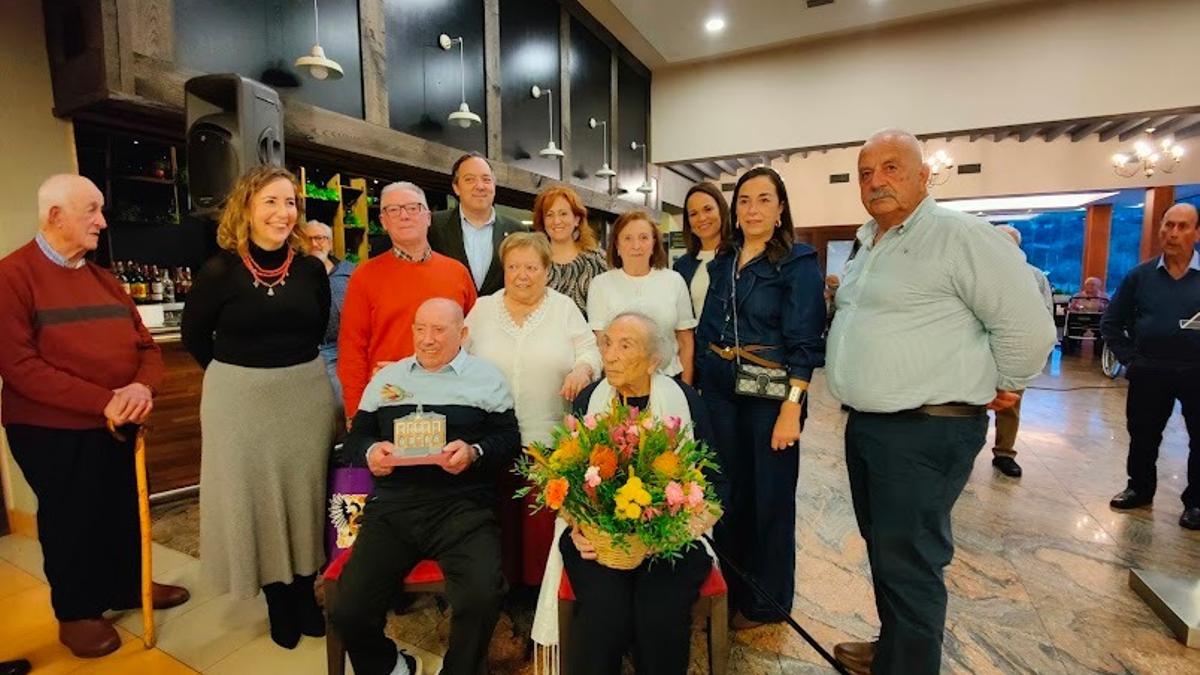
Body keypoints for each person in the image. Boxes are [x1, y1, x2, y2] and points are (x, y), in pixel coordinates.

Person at [825, 129, 1056, 675]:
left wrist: (1003, 379)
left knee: (910, 563)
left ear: (924, 176)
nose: (876, 180)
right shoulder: (871, 242)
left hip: (924, 430)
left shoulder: (960, 236)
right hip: (874, 426)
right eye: (865, 172)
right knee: (886, 550)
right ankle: (893, 651)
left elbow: (1029, 329)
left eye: (891, 167)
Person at [0, 174, 189, 659]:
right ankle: (78, 612)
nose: (103, 221)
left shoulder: (102, 278)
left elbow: (146, 347)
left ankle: (129, 586)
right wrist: (103, 400)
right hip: (51, 430)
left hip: (118, 421)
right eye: (92, 210)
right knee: (73, 518)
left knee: (122, 510)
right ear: (55, 215)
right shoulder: (11, 276)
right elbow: (19, 368)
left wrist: (140, 387)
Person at [181, 165, 334, 649]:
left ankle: (307, 594)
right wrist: (239, 377)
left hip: (303, 398)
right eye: (271, 201)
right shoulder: (219, 271)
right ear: (246, 207)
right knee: (258, 501)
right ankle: (278, 600)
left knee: (305, 496)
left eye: (290, 203)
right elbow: (193, 338)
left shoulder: (311, 269)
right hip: (240, 401)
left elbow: (314, 332)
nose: (283, 212)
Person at [328, 298, 521, 675]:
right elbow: (355, 440)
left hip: (464, 507)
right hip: (393, 507)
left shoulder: (487, 377)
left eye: (439, 330)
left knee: (482, 598)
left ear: (462, 334)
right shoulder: (388, 379)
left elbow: (509, 439)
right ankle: (393, 666)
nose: (427, 339)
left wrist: (474, 450)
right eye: (420, 329)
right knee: (347, 610)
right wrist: (370, 452)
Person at [530, 312, 717, 675]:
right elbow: (566, 478)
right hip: (596, 539)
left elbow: (715, 485)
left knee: (659, 610)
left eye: (625, 345)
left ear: (654, 359)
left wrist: (673, 531)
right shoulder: (589, 399)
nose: (609, 355)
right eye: (607, 343)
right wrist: (578, 525)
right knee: (605, 611)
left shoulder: (687, 402)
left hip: (672, 537)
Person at [694, 166, 826, 630]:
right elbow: (709, 327)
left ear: (781, 208)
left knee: (770, 498)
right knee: (728, 494)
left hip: (772, 398)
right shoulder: (724, 260)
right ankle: (730, 589)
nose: (752, 209)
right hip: (720, 393)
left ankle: (767, 603)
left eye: (763, 200)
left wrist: (792, 407)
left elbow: (806, 344)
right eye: (745, 200)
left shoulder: (798, 262)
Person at [464, 232, 601, 584]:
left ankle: (542, 599)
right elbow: (457, 354)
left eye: (530, 267)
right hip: (490, 437)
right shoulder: (482, 309)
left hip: (549, 435)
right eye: (512, 267)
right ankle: (501, 593)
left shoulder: (563, 308)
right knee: (497, 520)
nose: (521, 275)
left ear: (546, 270)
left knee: (543, 522)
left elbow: (590, 350)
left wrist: (582, 369)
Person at [338, 181, 477, 416]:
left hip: (451, 395)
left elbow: (473, 336)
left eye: (413, 208)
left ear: (428, 216)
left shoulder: (457, 272)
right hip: (390, 398)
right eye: (393, 210)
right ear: (383, 221)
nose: (404, 216)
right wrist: (356, 412)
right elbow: (353, 350)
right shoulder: (364, 276)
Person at [1101, 202, 1200, 530]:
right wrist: (1131, 360)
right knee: (1142, 435)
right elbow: (1111, 323)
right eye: (1168, 225)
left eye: (1182, 226)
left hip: (1196, 372)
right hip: (1150, 371)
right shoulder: (1139, 276)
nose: (1173, 233)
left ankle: (1197, 502)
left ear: (1196, 233)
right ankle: (1139, 488)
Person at [587, 211, 697, 383]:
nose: (636, 246)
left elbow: (686, 340)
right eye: (628, 238)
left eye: (644, 237)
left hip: (668, 379)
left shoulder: (674, 280)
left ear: (654, 243)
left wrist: (686, 388)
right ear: (617, 244)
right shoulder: (601, 284)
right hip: (620, 383)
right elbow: (601, 342)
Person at [991, 224, 1055, 478]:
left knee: (1009, 403)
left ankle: (1004, 453)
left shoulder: (1035, 276)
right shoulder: (978, 273)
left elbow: (1045, 315)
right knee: (969, 402)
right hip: (979, 350)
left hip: (1014, 351)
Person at [430, 153, 527, 297]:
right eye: (470, 180)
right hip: (450, 316)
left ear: (494, 185)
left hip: (500, 317)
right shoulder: (432, 225)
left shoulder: (516, 230)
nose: (480, 186)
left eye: (486, 179)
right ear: (456, 187)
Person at [530, 185, 607, 315]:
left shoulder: (597, 260)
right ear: (543, 222)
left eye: (563, 214)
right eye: (549, 215)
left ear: (576, 219)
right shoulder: (532, 261)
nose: (556, 221)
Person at [304, 219, 356, 411]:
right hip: (308, 349)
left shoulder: (349, 272)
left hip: (343, 347)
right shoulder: (295, 274)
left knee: (342, 403)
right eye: (309, 239)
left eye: (321, 238)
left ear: (331, 243)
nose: (315, 244)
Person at [672, 182, 732, 320]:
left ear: (721, 210)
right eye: (693, 214)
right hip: (698, 340)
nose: (702, 218)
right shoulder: (682, 266)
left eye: (708, 209)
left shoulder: (740, 256)